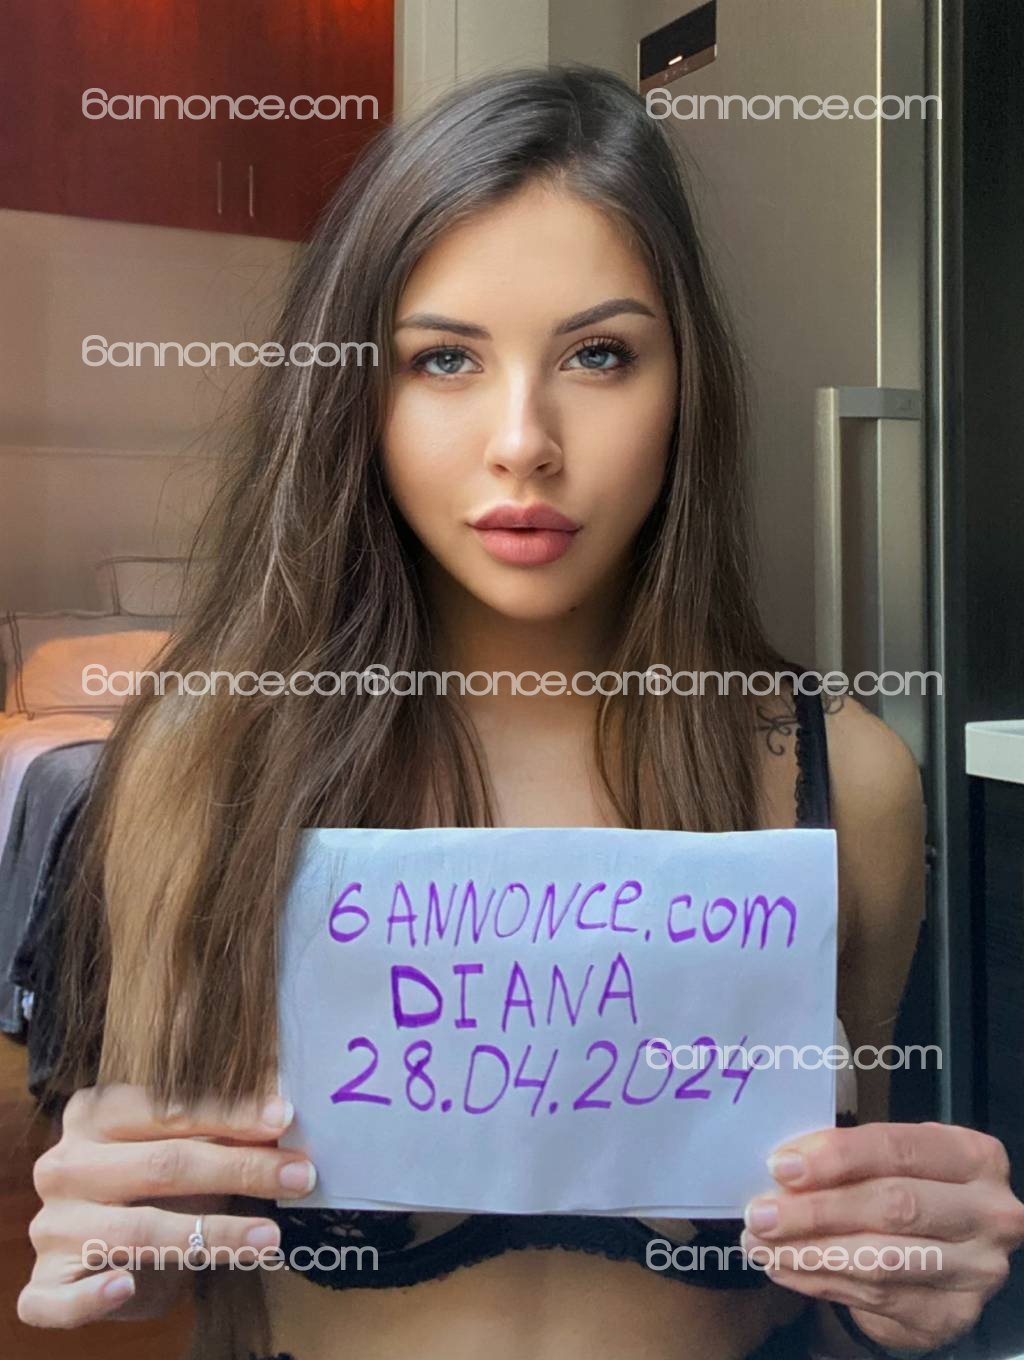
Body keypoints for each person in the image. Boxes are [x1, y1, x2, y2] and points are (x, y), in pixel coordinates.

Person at [18, 65, 1024, 1360]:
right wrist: (113, 1245)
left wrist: (911, 1297)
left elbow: (842, 1292)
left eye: (599, 355)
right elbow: (171, 1269)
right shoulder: (208, 764)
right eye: (443, 359)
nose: (523, 441)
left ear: (686, 386)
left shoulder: (848, 782)